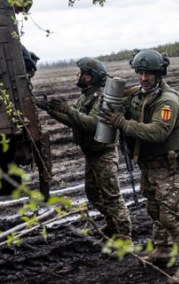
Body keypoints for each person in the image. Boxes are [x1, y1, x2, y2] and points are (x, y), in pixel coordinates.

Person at [99, 49, 179, 284]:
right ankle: (163, 250)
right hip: (150, 167)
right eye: (140, 72)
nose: (143, 77)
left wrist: (123, 122)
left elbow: (158, 131)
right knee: (155, 211)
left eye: (149, 74)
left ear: (159, 74)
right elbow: (114, 104)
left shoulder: (167, 100)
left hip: (168, 167)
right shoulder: (139, 95)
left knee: (173, 217)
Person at [35, 57, 132, 241]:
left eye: (80, 72)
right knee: (93, 194)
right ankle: (112, 224)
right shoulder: (85, 97)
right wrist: (50, 109)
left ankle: (125, 237)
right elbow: (75, 122)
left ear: (89, 77)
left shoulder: (101, 98)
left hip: (104, 155)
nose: (76, 74)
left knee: (112, 197)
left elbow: (93, 123)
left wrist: (69, 110)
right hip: (91, 154)